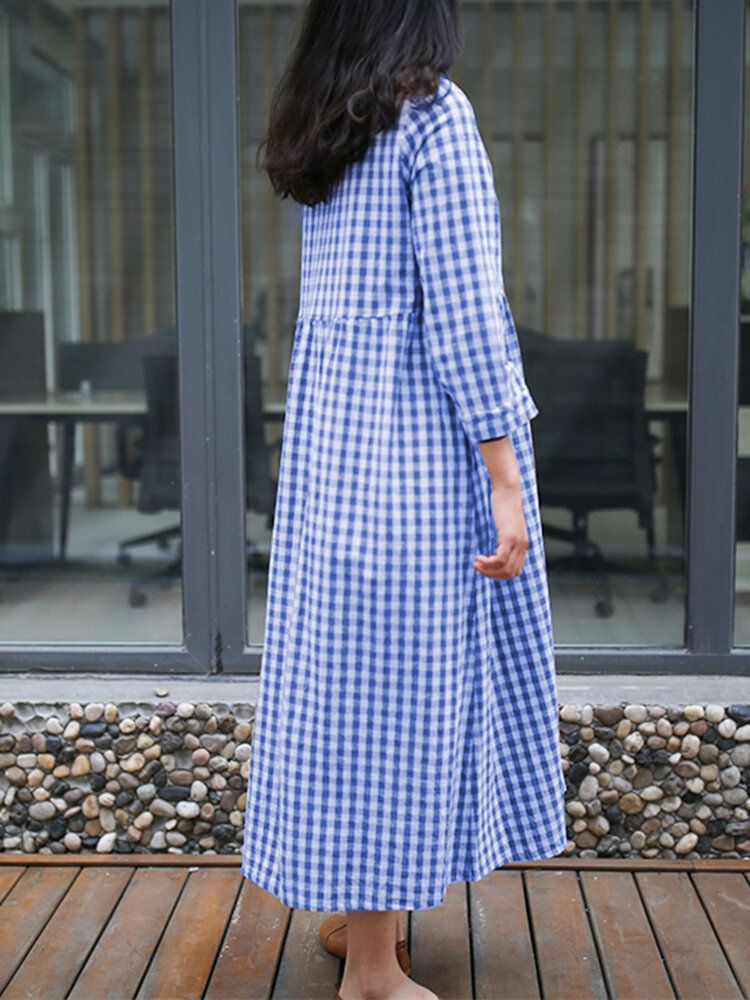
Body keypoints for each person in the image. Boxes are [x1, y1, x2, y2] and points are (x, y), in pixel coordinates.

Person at [240, 2, 568, 998]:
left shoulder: (324, 125)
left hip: (334, 455)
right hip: (416, 456)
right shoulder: (432, 117)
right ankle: (376, 970)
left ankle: (351, 917)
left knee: (354, 691)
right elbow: (468, 317)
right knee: (403, 696)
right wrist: (507, 477)